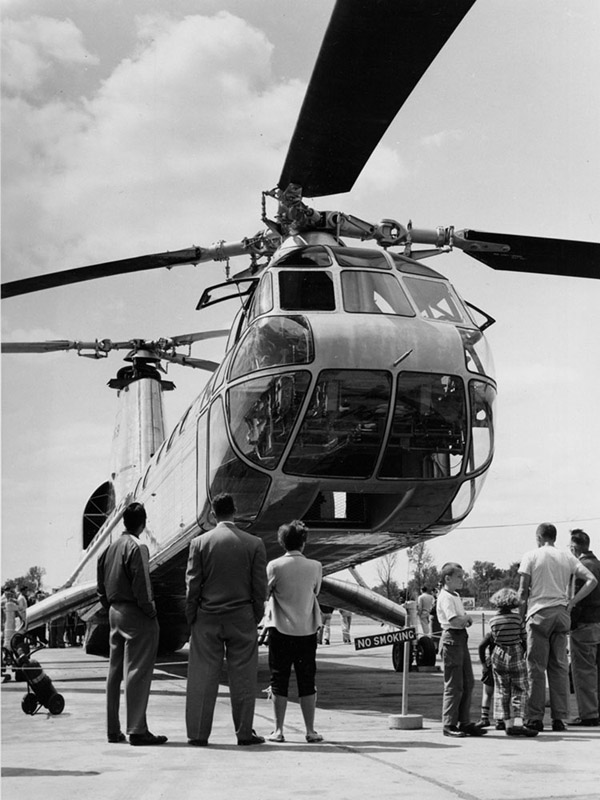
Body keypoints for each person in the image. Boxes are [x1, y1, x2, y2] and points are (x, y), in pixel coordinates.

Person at [185, 493, 267, 747]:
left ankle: (198, 734)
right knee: (243, 677)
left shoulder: (199, 543)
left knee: (202, 677)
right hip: (242, 617)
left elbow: (192, 586)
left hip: (207, 619)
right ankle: (244, 733)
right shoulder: (254, 543)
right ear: (236, 511)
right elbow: (259, 588)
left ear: (212, 513)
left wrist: (192, 618)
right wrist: (254, 617)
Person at [97, 501, 167, 746]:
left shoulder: (109, 549)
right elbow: (143, 586)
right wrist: (150, 611)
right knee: (137, 670)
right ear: (143, 523)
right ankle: (137, 729)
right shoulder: (137, 547)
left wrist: (110, 606)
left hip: (114, 612)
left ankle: (113, 729)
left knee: (114, 672)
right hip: (135, 613)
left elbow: (100, 588)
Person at [518, 522, 597, 732]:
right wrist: (571, 602)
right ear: (554, 537)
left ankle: (534, 717)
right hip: (562, 614)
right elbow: (591, 580)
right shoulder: (567, 557)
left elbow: (522, 591)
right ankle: (559, 718)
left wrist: (519, 619)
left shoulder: (531, 556)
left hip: (539, 614)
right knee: (559, 667)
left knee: (536, 668)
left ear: (538, 537)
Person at [265, 520, 323, 743]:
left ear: (282, 542)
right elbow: (316, 591)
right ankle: (310, 730)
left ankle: (278, 730)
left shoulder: (274, 566)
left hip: (280, 630)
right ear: (304, 542)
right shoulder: (315, 566)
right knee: (307, 680)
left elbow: (267, 591)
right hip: (307, 630)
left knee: (279, 679)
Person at [437, 562, 487, 737]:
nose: (462, 580)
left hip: (460, 638)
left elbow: (461, 620)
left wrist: (464, 619)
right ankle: (449, 723)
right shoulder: (445, 597)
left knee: (468, 682)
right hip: (452, 639)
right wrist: (466, 618)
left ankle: (464, 721)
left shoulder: (455, 595)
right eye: (459, 577)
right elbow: (454, 620)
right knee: (454, 685)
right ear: (447, 578)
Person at [488, 588, 538, 737]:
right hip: (515, 653)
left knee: (502, 690)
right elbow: (524, 638)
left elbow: (492, 639)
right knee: (520, 688)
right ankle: (519, 723)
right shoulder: (517, 619)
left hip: (498, 654)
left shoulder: (493, 621)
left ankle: (506, 722)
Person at [568, 529, 600, 726]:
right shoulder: (598, 564)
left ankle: (589, 714)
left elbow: (578, 600)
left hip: (584, 625)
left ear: (574, 547)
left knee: (584, 671)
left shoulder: (582, 569)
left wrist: (570, 623)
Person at [477, 631, 496, 728]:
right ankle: (500, 720)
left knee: (487, 693)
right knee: (502, 694)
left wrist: (483, 664)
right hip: (508, 664)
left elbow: (481, 646)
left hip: (491, 664)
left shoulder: (491, 634)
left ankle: (484, 718)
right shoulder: (514, 631)